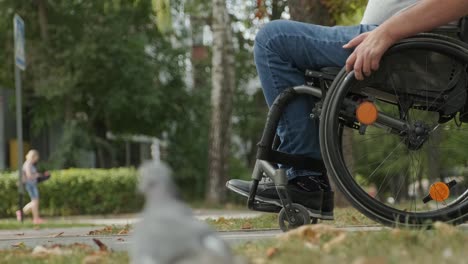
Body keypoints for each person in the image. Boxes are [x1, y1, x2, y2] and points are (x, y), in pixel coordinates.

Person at [227, 0, 468, 219]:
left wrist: (386, 32)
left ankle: (304, 180)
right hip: (401, 43)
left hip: (407, 45)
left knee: (272, 40)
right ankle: (304, 179)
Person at [16, 149, 45, 224]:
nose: (36, 160)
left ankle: (34, 218)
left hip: (32, 184)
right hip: (30, 185)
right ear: (33, 156)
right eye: (36, 158)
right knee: (35, 202)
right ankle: (34, 218)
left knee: (35, 202)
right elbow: (29, 176)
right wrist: (38, 175)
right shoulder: (28, 164)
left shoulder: (30, 164)